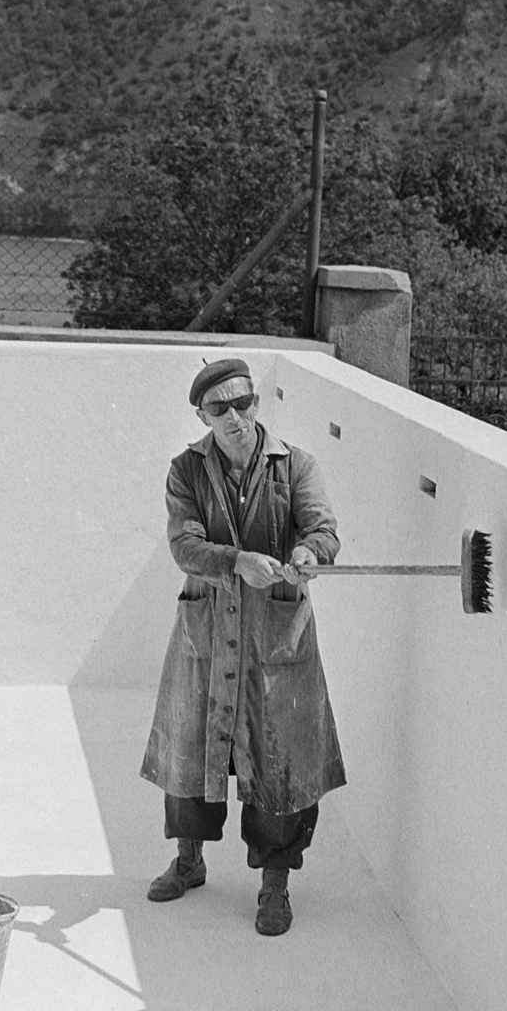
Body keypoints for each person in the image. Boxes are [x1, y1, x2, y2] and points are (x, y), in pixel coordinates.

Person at [139, 358, 345, 937]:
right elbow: (185, 546)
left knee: (279, 759)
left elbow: (323, 530)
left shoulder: (297, 464)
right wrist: (236, 562)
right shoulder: (186, 470)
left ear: (257, 402)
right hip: (207, 632)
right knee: (190, 746)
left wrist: (308, 556)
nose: (235, 418)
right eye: (219, 409)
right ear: (201, 415)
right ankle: (189, 861)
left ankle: (274, 887)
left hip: (278, 637)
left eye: (244, 404)